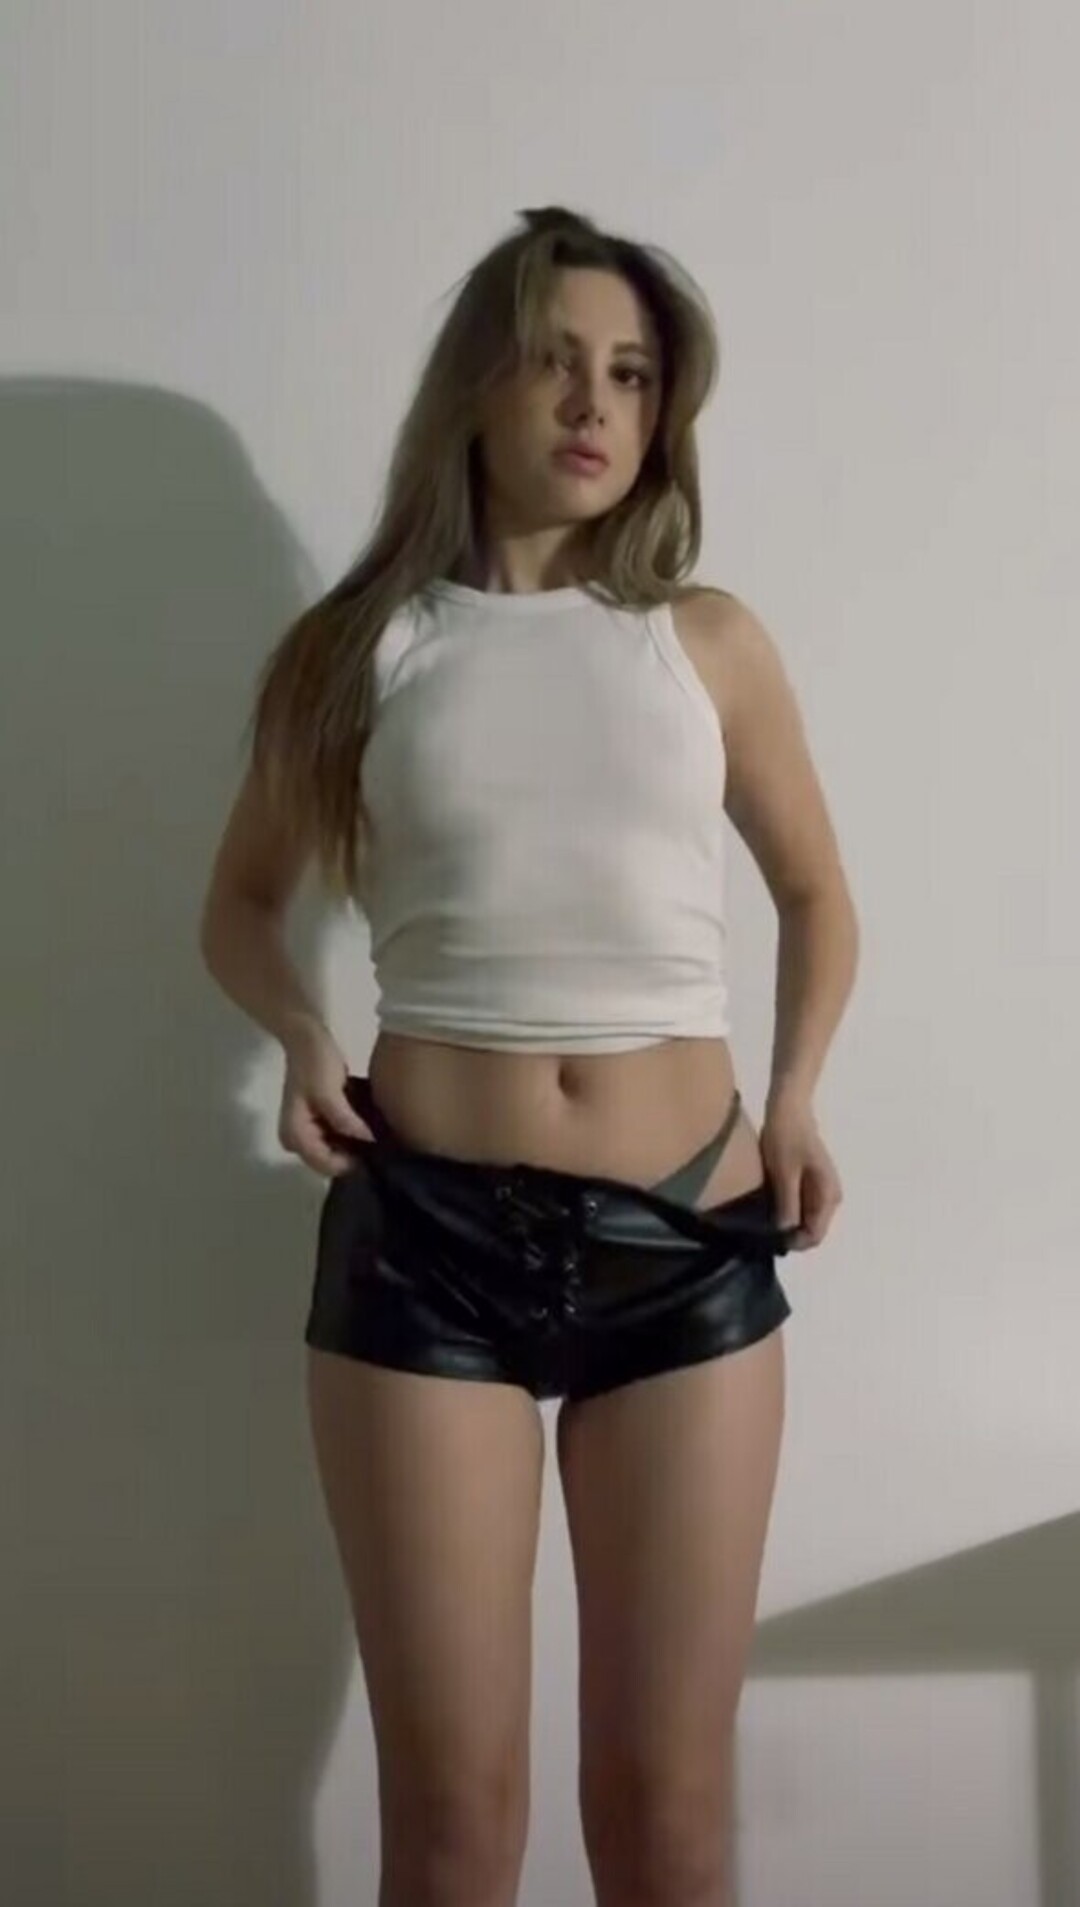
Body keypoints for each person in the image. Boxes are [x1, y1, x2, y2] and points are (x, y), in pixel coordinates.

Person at [199, 204, 859, 1907]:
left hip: (687, 1241)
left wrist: (794, 1098)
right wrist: (298, 1032)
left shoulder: (705, 641)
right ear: (478, 384)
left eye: (631, 376)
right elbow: (242, 907)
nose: (593, 404)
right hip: (425, 1248)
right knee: (451, 1828)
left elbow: (816, 895)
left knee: (666, 1816)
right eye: (559, 361)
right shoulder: (359, 650)